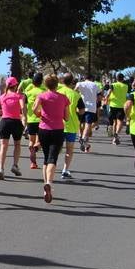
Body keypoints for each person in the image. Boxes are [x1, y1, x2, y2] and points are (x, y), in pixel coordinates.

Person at [32, 74, 70, 204]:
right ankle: (49, 183)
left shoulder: (41, 96)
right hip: (58, 129)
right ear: (57, 84)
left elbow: (34, 109)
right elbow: (67, 117)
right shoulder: (63, 98)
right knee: (53, 158)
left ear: (46, 84)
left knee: (45, 158)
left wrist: (40, 114)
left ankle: (45, 187)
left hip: (43, 129)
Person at [0, 77, 26, 179]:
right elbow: (22, 107)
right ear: (16, 85)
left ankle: (0, 168)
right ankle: (15, 165)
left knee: (3, 146)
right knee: (17, 144)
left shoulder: (2, 97)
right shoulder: (19, 96)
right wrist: (24, 116)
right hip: (16, 122)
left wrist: (3, 112)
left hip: (5, 122)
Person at [58, 73, 83, 180]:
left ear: (62, 80)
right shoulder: (76, 95)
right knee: (69, 149)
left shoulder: (58, 92)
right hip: (71, 125)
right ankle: (65, 170)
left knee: (56, 148)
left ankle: (51, 166)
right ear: (72, 81)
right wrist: (75, 110)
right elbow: (81, 111)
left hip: (57, 124)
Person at [22, 72, 44, 170]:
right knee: (40, 141)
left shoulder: (27, 93)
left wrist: (25, 118)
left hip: (31, 120)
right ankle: (35, 149)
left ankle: (33, 163)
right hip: (41, 119)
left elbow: (24, 108)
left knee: (31, 141)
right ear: (41, 82)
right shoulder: (44, 92)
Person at [76, 73, 100, 152]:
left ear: (84, 78)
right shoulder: (95, 85)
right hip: (91, 108)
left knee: (81, 123)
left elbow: (74, 91)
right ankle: (83, 139)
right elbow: (99, 96)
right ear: (92, 78)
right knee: (87, 124)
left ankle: (81, 137)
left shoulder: (80, 83)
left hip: (81, 106)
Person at [108, 73, 129, 144]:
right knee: (120, 121)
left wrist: (106, 99)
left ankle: (115, 137)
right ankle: (116, 134)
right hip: (121, 106)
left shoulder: (113, 85)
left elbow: (108, 93)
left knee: (114, 122)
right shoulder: (126, 86)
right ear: (123, 79)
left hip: (113, 105)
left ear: (116, 78)